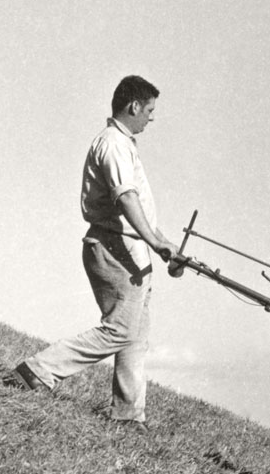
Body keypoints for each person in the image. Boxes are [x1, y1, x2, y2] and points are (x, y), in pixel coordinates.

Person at [10, 75, 178, 427]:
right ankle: (36, 371)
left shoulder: (124, 144)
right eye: (149, 110)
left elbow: (138, 211)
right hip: (113, 247)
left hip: (132, 250)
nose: (151, 117)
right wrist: (154, 240)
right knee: (119, 330)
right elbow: (125, 198)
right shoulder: (113, 145)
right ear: (134, 106)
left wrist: (163, 245)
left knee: (135, 335)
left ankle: (129, 415)